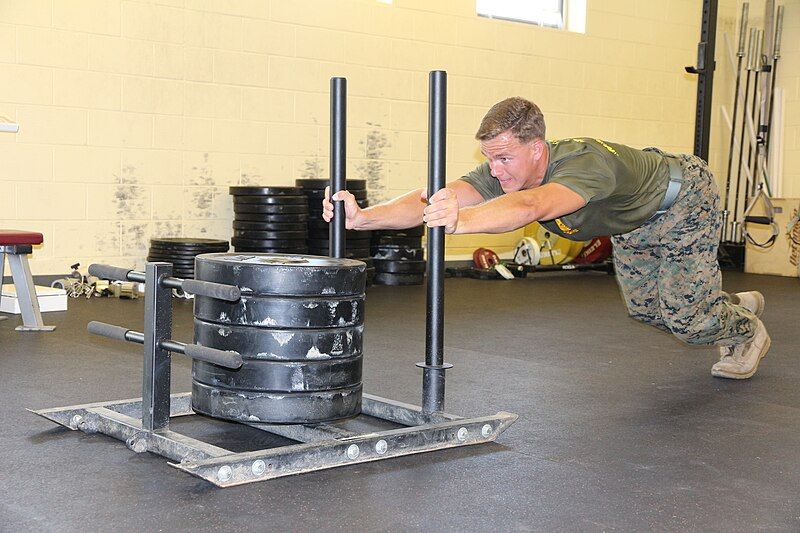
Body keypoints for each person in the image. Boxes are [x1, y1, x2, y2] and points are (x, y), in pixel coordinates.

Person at [323, 97, 770, 379]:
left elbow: (531, 208)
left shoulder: (582, 164)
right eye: (489, 160)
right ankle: (724, 305)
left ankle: (747, 331)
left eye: (503, 158)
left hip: (682, 201)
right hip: (630, 223)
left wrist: (460, 221)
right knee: (647, 310)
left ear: (536, 147)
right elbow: (433, 197)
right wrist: (363, 218)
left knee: (687, 321)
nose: (495, 170)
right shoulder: (505, 169)